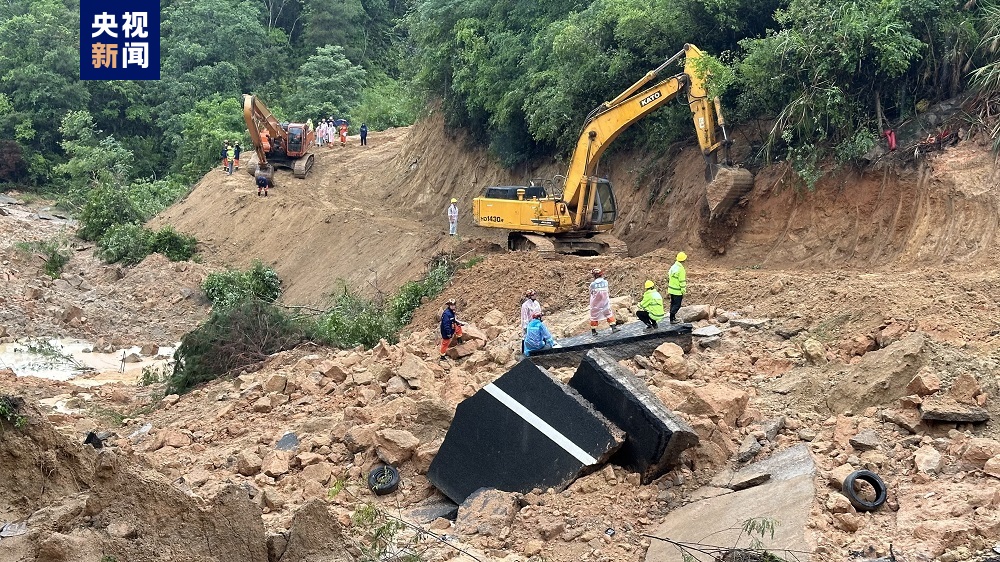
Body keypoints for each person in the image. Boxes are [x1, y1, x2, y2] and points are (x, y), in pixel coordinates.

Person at [589, 267, 618, 336]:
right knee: (608, 313)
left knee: (594, 316)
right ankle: (613, 328)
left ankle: (593, 331)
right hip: (605, 302)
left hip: (595, 304)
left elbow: (591, 293)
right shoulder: (606, 282)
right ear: (601, 275)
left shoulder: (592, 284)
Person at [667, 251, 687, 324]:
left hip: (671, 290)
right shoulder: (681, 269)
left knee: (672, 304)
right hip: (677, 291)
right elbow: (682, 281)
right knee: (677, 305)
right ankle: (672, 319)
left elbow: (669, 275)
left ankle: (672, 318)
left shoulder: (673, 266)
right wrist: (683, 290)